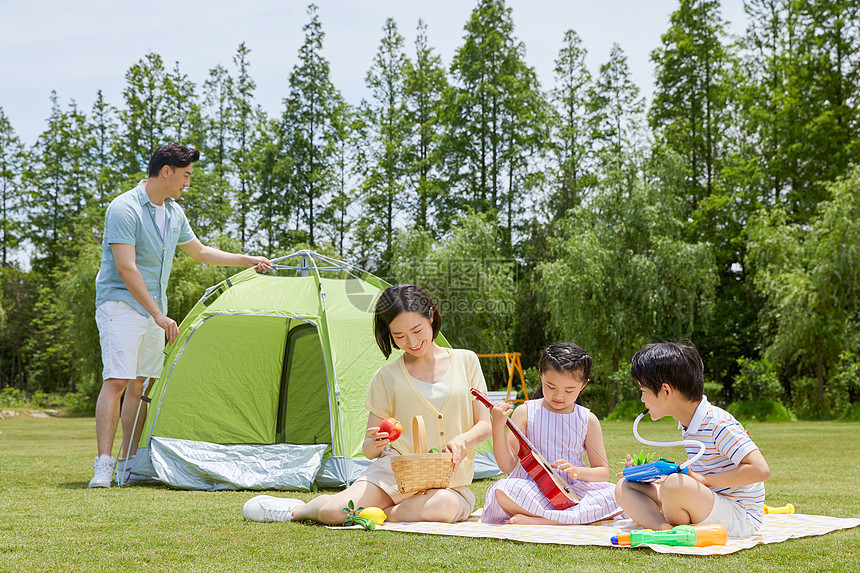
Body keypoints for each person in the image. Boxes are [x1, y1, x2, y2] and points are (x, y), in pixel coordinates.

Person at [89, 142, 273, 488]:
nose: (188, 182)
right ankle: (103, 465)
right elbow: (127, 269)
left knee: (141, 384)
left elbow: (200, 252)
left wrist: (246, 259)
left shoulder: (173, 212)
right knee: (117, 380)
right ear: (166, 171)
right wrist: (158, 315)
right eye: (186, 175)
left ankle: (127, 464)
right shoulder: (124, 208)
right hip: (121, 305)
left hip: (152, 310)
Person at [242, 283, 492, 524]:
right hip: (395, 475)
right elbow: (369, 450)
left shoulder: (466, 361)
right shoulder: (386, 376)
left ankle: (381, 512)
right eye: (399, 336)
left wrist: (463, 440)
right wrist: (374, 443)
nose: (412, 342)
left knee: (445, 507)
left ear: (431, 316)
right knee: (334, 512)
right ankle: (298, 510)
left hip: (448, 483)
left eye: (417, 330)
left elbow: (485, 424)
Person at [614, 342, 770, 537]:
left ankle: (675, 524)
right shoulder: (688, 424)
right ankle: (665, 529)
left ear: (666, 391)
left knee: (674, 485)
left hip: (739, 516)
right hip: (707, 501)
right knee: (625, 486)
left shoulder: (718, 424)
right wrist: (643, 475)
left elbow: (760, 470)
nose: (642, 399)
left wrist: (704, 480)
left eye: (643, 391)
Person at [480, 342, 623, 525]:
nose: (559, 396)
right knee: (503, 489)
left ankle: (542, 520)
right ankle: (570, 519)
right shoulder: (525, 412)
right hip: (532, 488)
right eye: (551, 386)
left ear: (583, 385)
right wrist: (498, 427)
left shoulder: (588, 419)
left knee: (616, 492)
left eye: (569, 390)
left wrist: (577, 471)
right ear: (541, 375)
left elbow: (602, 473)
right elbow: (507, 466)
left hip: (572, 490)